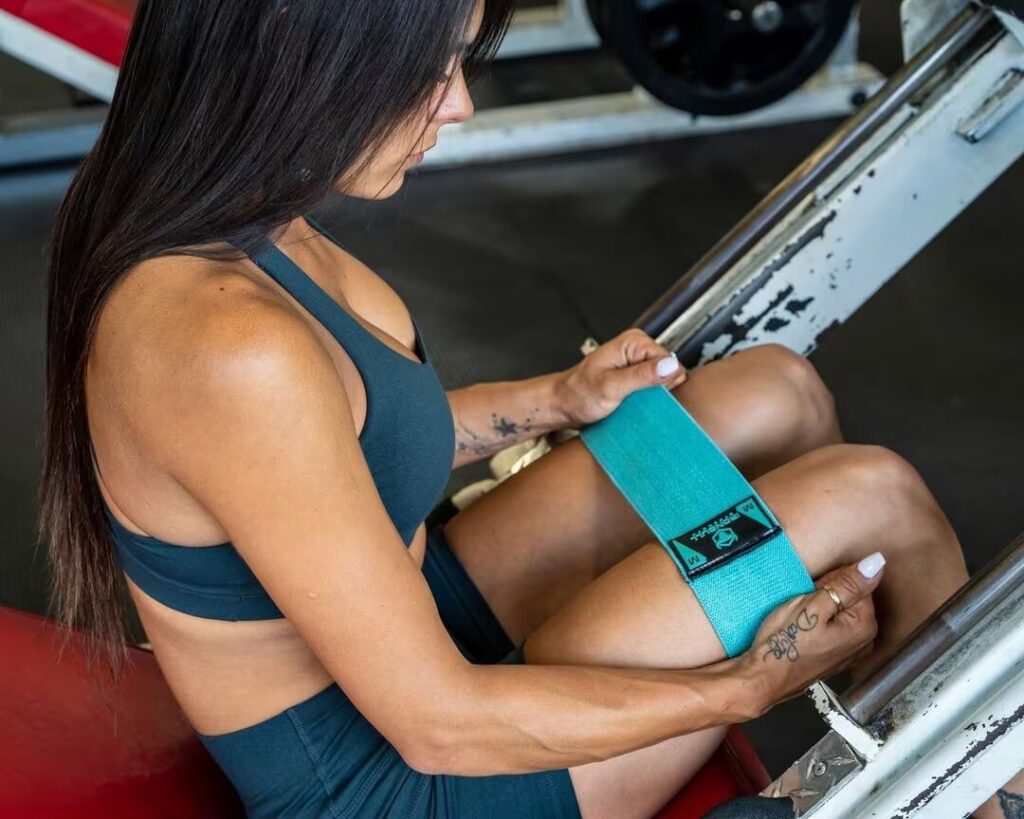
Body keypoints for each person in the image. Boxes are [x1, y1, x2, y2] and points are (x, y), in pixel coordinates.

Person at [39, 1, 976, 817]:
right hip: (400, 777)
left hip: (410, 625)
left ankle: (906, 749)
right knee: (874, 495)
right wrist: (742, 686)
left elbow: (336, 450)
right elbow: (439, 725)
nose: (459, 102)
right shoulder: (223, 345)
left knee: (775, 389)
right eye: (425, 68)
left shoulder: (234, 210)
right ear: (297, 51)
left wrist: (555, 401)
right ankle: (981, 789)